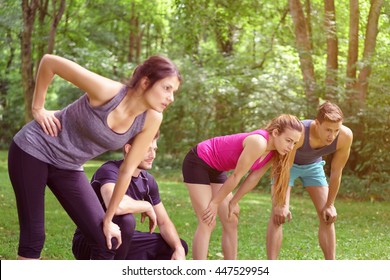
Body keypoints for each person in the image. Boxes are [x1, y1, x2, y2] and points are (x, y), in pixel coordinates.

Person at [7, 54, 181, 259]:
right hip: (33, 149)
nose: (171, 98)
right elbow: (48, 62)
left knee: (107, 238)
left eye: (174, 91)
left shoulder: (152, 119)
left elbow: (126, 170)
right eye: (166, 88)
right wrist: (38, 108)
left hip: (69, 166)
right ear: (145, 82)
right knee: (34, 236)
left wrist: (108, 218)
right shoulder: (108, 91)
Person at [182, 114, 304, 259]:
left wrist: (234, 202)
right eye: (288, 141)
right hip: (199, 161)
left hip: (217, 168)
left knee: (231, 218)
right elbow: (236, 176)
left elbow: (254, 178)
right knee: (207, 220)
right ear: (276, 133)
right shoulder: (259, 142)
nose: (291, 147)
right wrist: (215, 203)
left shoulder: (274, 152)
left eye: (294, 143)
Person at [72, 131, 188, 260]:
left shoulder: (148, 181)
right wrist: (146, 205)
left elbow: (164, 222)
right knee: (125, 220)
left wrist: (178, 248)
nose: (153, 155)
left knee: (175, 246)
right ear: (129, 149)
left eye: (154, 149)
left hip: (122, 239)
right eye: (147, 149)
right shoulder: (109, 170)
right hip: (90, 241)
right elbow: (116, 206)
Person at [266, 101, 353, 260]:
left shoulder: (345, 136)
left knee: (327, 217)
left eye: (336, 130)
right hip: (287, 166)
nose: (331, 136)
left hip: (313, 166)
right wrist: (281, 204)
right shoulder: (301, 133)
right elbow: (285, 166)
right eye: (327, 129)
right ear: (317, 123)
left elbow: (336, 171)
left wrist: (330, 205)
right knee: (278, 215)